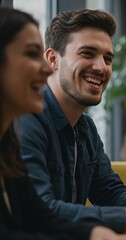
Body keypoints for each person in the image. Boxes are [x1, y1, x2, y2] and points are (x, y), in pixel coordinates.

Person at [16, 8, 126, 233]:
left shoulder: (85, 127)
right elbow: (39, 209)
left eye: (108, 58)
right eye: (87, 53)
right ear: (52, 59)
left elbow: (108, 191)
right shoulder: (26, 119)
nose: (101, 67)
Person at [0, 7, 118, 239]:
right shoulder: (25, 125)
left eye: (108, 59)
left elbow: (39, 215)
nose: (44, 70)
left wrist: (94, 233)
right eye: (31, 54)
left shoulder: (7, 144)